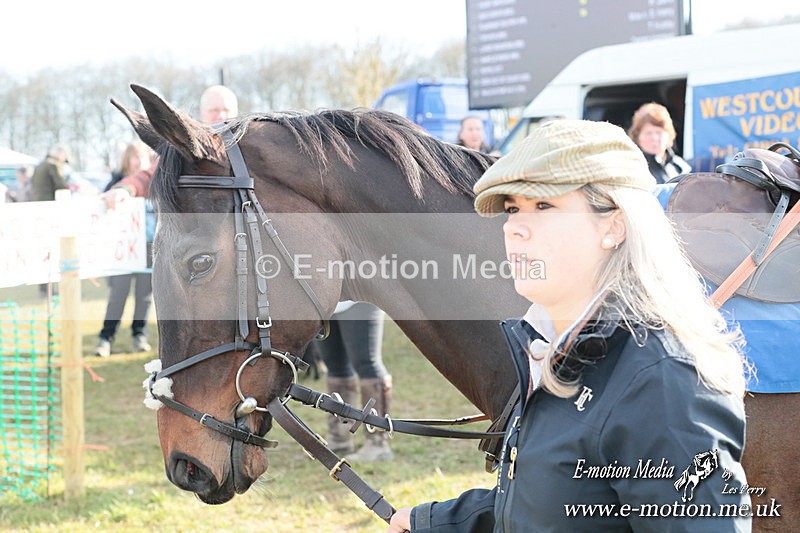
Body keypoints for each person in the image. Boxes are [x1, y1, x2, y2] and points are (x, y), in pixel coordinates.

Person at [389, 120, 750, 532]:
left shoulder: (662, 381)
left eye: (544, 206)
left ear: (614, 225)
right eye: (513, 209)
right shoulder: (556, 345)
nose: (513, 227)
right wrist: (436, 522)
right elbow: (554, 499)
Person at [94, 142, 156, 357]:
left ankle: (139, 335)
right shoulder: (115, 183)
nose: (138, 161)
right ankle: (106, 338)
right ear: (127, 159)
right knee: (117, 295)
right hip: (122, 249)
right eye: (134, 157)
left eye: (142, 157)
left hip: (148, 248)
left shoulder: (155, 185)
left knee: (144, 295)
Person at [314, 302, 393, 462]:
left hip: (358, 296)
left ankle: (378, 444)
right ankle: (339, 438)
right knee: (335, 366)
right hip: (323, 299)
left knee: (367, 364)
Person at [628, 102, 691, 183]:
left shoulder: (681, 167)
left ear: (669, 134)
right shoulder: (631, 167)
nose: (654, 138)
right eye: (648, 133)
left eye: (658, 132)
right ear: (637, 137)